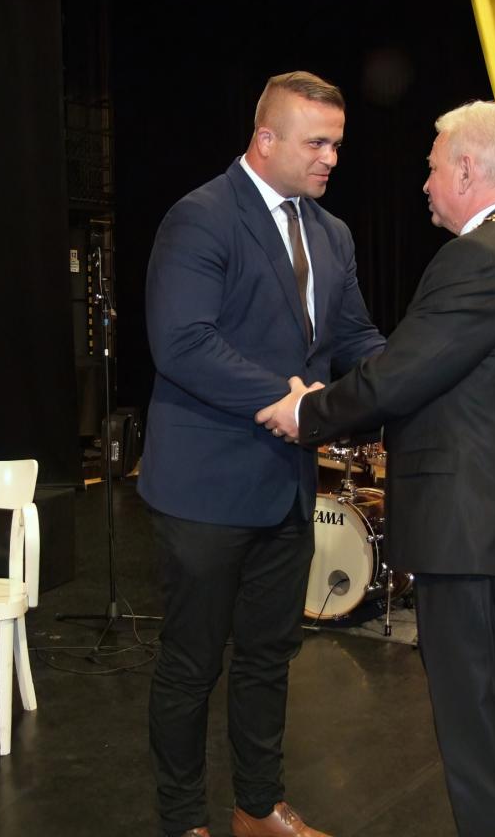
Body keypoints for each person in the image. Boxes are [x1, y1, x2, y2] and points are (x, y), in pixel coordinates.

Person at [256, 99, 495, 836]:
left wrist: (306, 412)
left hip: (471, 537)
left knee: (479, 737)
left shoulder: (479, 258)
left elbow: (398, 376)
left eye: (432, 169)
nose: (425, 184)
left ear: (465, 169)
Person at [138, 71, 384, 837]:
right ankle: (183, 820)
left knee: (268, 657)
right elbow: (182, 342)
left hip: (285, 486)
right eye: (317, 143)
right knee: (192, 663)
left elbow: (354, 338)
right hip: (205, 488)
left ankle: (257, 808)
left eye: (337, 144)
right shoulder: (201, 218)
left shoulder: (332, 234)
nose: (331, 158)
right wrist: (285, 400)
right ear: (266, 138)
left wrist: (410, 376)